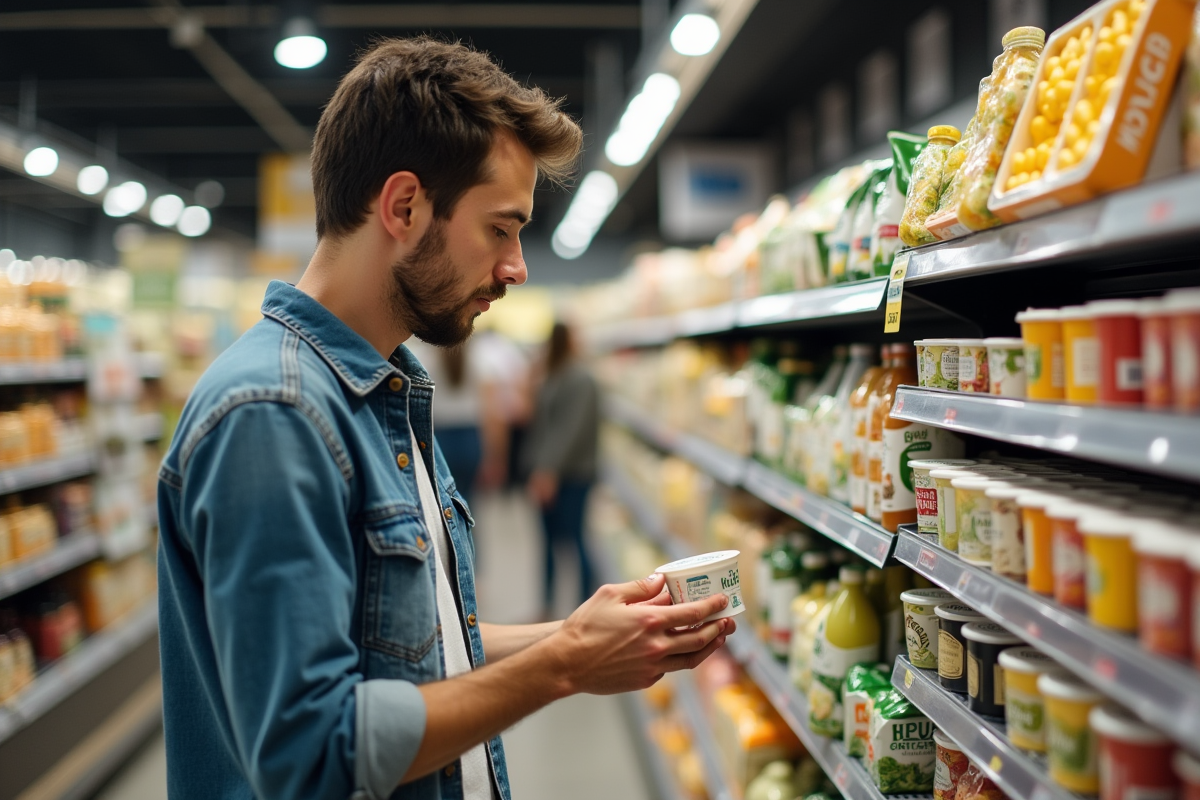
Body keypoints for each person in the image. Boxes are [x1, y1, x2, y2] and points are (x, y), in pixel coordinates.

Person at [156, 37, 735, 800]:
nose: (517, 267)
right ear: (404, 207)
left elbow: (410, 643)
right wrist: (563, 665)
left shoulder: (383, 389)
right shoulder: (275, 412)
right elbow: (313, 751)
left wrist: (578, 635)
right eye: (500, 228)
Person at [524, 322, 600, 615]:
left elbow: (569, 430)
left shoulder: (577, 378)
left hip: (572, 474)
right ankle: (548, 604)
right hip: (555, 473)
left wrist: (548, 469)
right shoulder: (560, 374)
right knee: (550, 542)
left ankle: (587, 606)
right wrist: (544, 470)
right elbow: (552, 428)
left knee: (574, 540)